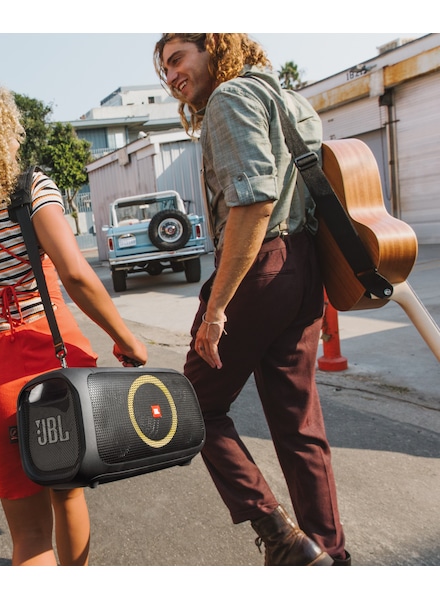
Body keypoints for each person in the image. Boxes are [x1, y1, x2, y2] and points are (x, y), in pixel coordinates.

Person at [0, 85, 148, 566]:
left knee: (30, 536)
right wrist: (126, 339)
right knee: (68, 497)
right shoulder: (31, 189)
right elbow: (76, 275)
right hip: (60, 366)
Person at [153, 33, 350, 566]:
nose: (171, 76)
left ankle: (281, 537)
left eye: (178, 59)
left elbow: (254, 203)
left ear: (214, 47)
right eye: (164, 69)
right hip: (303, 266)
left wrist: (216, 309)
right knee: (298, 423)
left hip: (258, 267)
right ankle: (329, 555)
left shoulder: (229, 97)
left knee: (191, 405)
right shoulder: (290, 99)